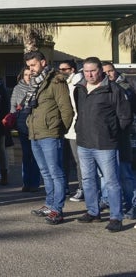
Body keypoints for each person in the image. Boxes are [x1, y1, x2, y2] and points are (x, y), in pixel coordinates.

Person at [74, 57, 132, 233]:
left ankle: (116, 217)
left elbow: (125, 117)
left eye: (93, 70)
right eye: (86, 71)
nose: (89, 74)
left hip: (106, 144)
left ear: (100, 70)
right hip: (84, 143)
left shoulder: (113, 89)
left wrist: (111, 132)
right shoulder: (80, 89)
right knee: (88, 180)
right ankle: (93, 212)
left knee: (111, 182)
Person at [24, 51, 74, 225]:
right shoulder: (35, 83)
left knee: (55, 172)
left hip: (50, 134)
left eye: (34, 65)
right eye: (29, 66)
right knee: (45, 172)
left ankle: (57, 209)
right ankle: (49, 203)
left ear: (43, 63)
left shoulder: (56, 81)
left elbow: (67, 110)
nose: (31, 69)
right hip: (35, 133)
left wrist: (58, 130)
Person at [101, 61, 136, 219]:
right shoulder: (99, 89)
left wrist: (117, 129)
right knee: (105, 175)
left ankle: (132, 204)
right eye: (105, 72)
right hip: (104, 139)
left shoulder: (125, 89)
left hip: (121, 137)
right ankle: (107, 199)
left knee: (125, 174)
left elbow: (127, 116)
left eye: (111, 71)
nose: (109, 74)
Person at [58, 60, 85, 202]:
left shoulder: (78, 84)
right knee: (65, 160)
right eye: (60, 69)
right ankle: (65, 186)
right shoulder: (65, 83)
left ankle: (82, 188)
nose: (61, 71)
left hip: (75, 127)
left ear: (72, 69)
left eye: (64, 69)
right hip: (65, 127)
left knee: (78, 161)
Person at [11, 67, 41, 192]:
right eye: (26, 74)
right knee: (26, 155)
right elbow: (12, 105)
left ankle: (34, 183)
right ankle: (26, 182)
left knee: (36, 156)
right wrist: (14, 118)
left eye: (30, 74)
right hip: (22, 125)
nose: (28, 76)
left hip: (36, 125)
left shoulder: (39, 87)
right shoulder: (17, 88)